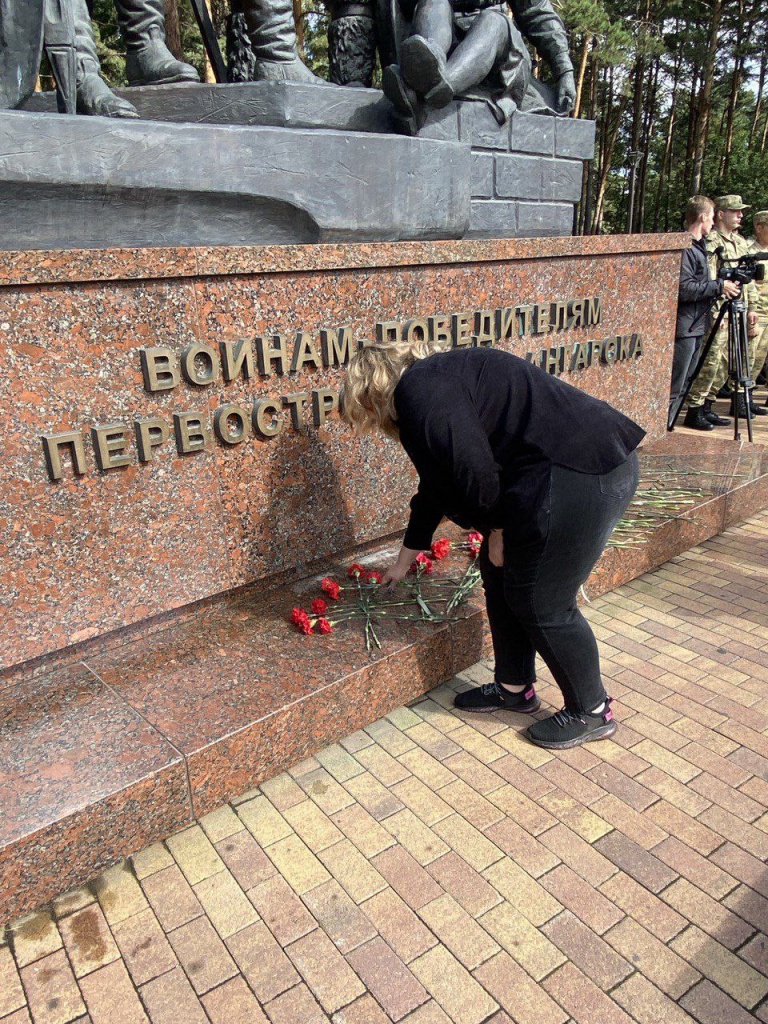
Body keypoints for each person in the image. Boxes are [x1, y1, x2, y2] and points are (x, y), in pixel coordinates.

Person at [342, 340, 644, 750]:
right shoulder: (434, 386)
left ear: (369, 389)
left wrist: (498, 530)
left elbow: (476, 470)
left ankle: (592, 710)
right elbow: (436, 486)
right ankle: (514, 687)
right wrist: (403, 561)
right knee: (500, 577)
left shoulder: (422, 390)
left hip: (584, 472)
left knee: (544, 602)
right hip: (567, 472)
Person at [381, 0, 575, 130]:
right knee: (434, 2)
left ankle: (432, 89)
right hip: (444, 41)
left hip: (499, 52)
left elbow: (538, 13)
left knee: (493, 22)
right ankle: (428, 70)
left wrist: (564, 69)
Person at [685, 194, 764, 425]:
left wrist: (750, 308)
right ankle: (695, 408)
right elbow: (710, 279)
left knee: (726, 364)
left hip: (737, 311)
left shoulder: (740, 242)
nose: (741, 215)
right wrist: (713, 312)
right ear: (720, 214)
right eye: (735, 211)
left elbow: (745, 280)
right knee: (710, 362)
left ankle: (707, 405)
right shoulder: (713, 242)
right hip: (719, 311)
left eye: (741, 211)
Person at [672, 196, 739, 430]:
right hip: (686, 326)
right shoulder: (686, 247)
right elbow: (685, 288)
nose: (712, 222)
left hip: (697, 323)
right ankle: (663, 430)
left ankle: (668, 430)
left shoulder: (699, 247)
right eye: (711, 217)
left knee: (686, 383)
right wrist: (719, 286)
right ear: (703, 217)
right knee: (675, 386)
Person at [747, 210, 768, 406]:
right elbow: (748, 284)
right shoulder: (749, 251)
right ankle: (745, 399)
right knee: (752, 358)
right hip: (757, 313)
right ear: (759, 227)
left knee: (762, 360)